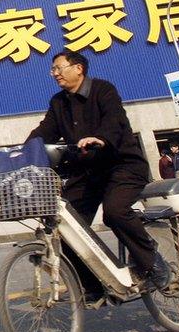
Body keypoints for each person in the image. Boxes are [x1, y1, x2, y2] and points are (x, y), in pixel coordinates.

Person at [27, 50, 170, 292]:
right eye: (53, 70)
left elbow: (114, 120)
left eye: (58, 68)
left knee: (114, 211)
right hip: (87, 173)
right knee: (66, 226)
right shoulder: (58, 102)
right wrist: (23, 152)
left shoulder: (104, 90)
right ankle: (93, 286)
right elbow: (45, 131)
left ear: (78, 68)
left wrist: (101, 138)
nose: (55, 74)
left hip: (122, 165)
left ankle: (153, 263)